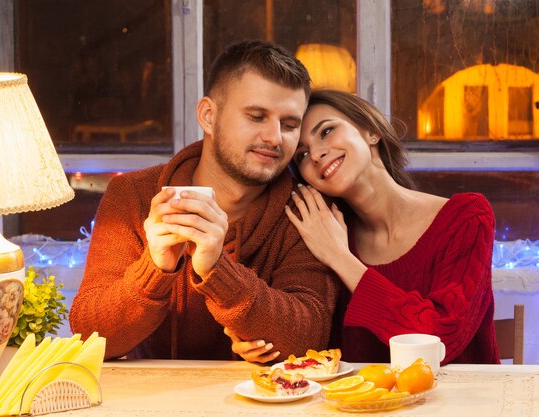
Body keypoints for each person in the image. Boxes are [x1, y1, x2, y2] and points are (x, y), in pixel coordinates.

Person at [69, 41, 340, 360]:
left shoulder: (305, 210)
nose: (274, 137)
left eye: (290, 124)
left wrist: (217, 269)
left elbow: (307, 342)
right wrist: (156, 267)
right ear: (209, 116)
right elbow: (90, 337)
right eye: (256, 116)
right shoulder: (133, 194)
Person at [227, 89, 500, 365]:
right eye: (302, 155)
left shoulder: (466, 218)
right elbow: (309, 332)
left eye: (326, 131)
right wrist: (257, 336)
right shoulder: (321, 230)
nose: (317, 155)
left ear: (371, 130)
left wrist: (340, 257)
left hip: (456, 403)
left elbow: (439, 342)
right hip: (359, 404)